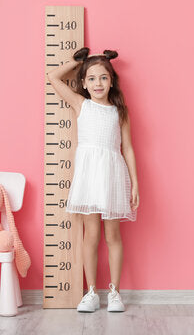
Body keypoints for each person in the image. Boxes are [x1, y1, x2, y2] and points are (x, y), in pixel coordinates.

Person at [46, 47, 139, 312]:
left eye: (104, 78)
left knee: (113, 235)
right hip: (88, 176)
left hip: (111, 175)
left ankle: (115, 293)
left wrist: (135, 183)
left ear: (112, 81)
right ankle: (91, 292)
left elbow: (128, 148)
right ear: (84, 83)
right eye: (92, 78)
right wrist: (76, 62)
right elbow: (53, 78)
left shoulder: (119, 111)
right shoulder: (81, 104)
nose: (98, 83)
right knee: (91, 235)